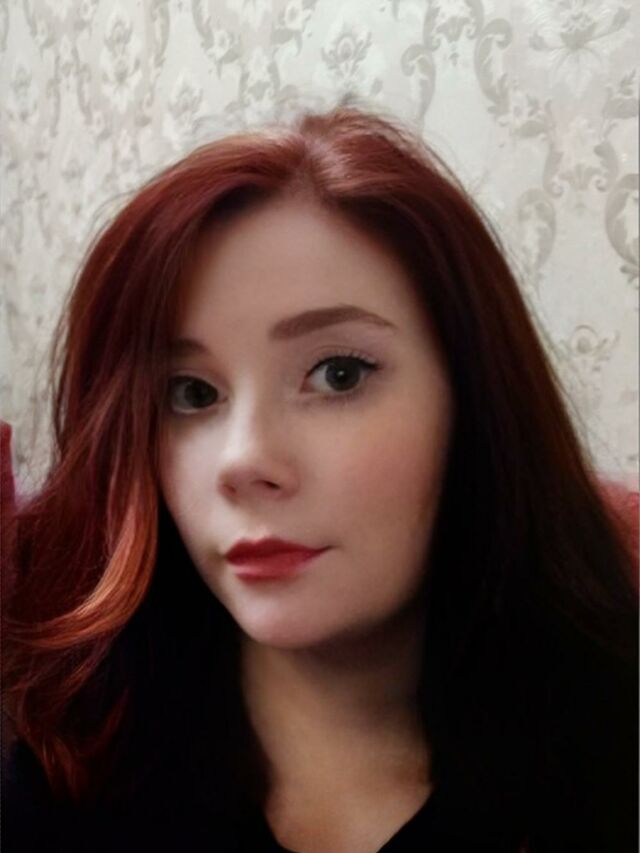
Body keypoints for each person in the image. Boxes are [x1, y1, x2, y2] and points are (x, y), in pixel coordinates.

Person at [1, 102, 637, 853]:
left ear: (473, 400)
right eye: (191, 393)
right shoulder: (66, 769)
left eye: (338, 374)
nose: (243, 461)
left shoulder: (611, 765)